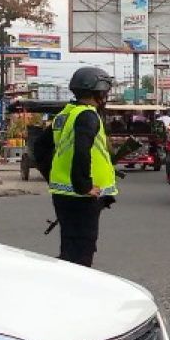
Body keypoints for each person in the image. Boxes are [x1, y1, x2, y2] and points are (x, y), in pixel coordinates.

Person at [37, 67, 118, 268]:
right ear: (98, 92)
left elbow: (39, 147)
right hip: (83, 198)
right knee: (82, 252)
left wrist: (53, 177)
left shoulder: (65, 114)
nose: (105, 96)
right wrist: (84, 186)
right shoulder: (88, 116)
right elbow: (82, 151)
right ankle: (74, 293)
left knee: (70, 247)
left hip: (63, 194)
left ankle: (65, 288)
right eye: (105, 92)